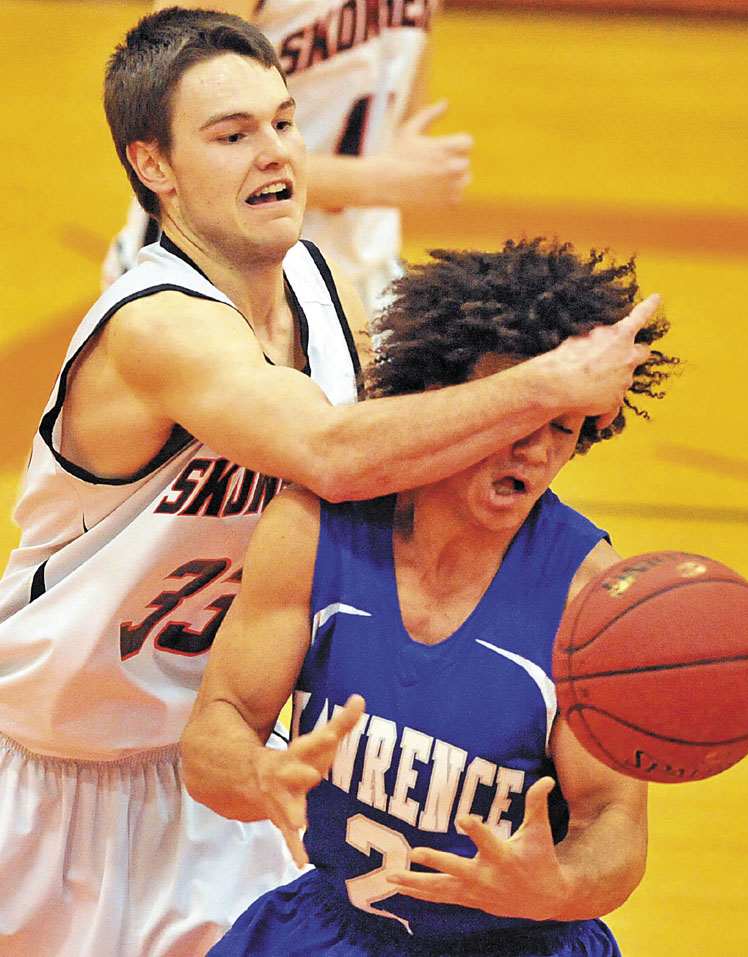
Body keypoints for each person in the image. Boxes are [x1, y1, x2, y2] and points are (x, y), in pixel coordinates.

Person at [0, 8, 656, 956]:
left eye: (283, 122)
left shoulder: (320, 286)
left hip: (222, 764)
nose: (274, 154)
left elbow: (408, 471)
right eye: (232, 136)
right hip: (50, 770)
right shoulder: (155, 326)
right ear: (154, 166)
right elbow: (336, 453)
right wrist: (551, 381)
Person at [181, 237, 680, 956]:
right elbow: (214, 732)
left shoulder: (588, 593)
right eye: (516, 412)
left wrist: (560, 886)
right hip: (333, 928)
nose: (536, 451)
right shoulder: (317, 527)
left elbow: (614, 821)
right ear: (448, 399)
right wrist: (256, 774)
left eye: (563, 428)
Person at [103, 0, 474, 318]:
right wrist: (380, 181)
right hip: (217, 272)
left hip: (360, 265)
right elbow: (177, 148)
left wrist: (402, 168)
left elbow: (401, 117)